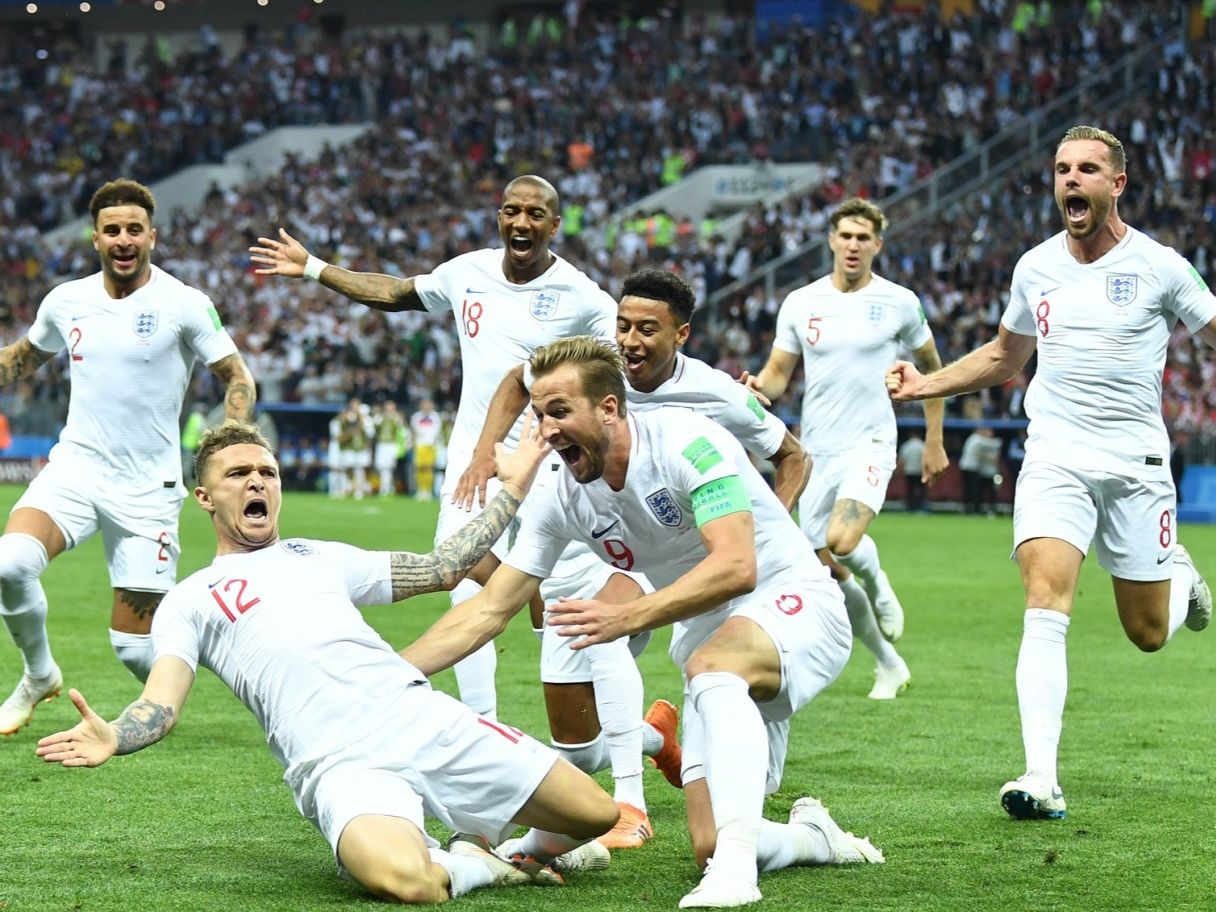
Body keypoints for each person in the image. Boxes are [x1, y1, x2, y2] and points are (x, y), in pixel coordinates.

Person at [35, 420, 619, 903]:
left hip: (417, 715)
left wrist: (512, 489)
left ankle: (509, 848)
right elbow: (160, 703)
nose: (256, 482)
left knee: (595, 814)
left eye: (267, 472)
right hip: (335, 760)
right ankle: (477, 865)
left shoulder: (319, 555)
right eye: (238, 474)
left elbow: (442, 568)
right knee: (411, 883)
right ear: (206, 497)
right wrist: (117, 733)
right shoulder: (189, 600)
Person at [406, 337, 883, 910]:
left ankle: (737, 878)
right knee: (710, 840)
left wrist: (626, 615)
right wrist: (387, 672)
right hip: (713, 638)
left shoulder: (687, 443)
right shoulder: (563, 493)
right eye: (537, 414)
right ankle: (814, 839)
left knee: (712, 668)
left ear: (608, 408)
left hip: (796, 603)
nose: (545, 430)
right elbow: (490, 609)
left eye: (559, 411)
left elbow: (736, 566)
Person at [886, 125, 1214, 820]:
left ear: (1116, 184)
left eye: (1089, 169)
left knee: (1148, 632)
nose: (1072, 179)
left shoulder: (1161, 266)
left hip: (1136, 464)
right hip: (1055, 456)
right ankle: (1040, 777)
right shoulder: (1034, 267)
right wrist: (926, 385)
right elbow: (1006, 357)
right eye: (1063, 168)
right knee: (1044, 600)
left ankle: (1180, 576)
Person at [456, 268, 810, 844]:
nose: (630, 340)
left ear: (682, 335)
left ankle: (629, 807)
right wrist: (481, 454)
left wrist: (760, 530)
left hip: (690, 552)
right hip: (607, 536)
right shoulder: (590, 377)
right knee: (578, 745)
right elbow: (517, 382)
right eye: (622, 325)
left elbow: (793, 456)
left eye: (648, 329)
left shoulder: (718, 395)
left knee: (610, 630)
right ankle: (654, 739)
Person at [251, 175, 616, 720]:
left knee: (559, 625)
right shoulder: (467, 271)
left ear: (554, 226)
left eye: (535, 215)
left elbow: (621, 371)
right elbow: (396, 293)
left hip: (550, 468)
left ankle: (636, 732)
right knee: (462, 577)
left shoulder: (584, 297)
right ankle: (485, 727)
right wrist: (312, 267)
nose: (522, 223)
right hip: (474, 464)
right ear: (499, 216)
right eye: (511, 211)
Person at [0, 179, 256, 737]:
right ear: (95, 237)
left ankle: (267, 682)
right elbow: (19, 360)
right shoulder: (66, 301)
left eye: (133, 230)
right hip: (76, 469)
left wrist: (231, 439)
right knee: (10, 563)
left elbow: (235, 375)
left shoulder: (184, 303)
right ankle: (38, 675)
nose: (123, 239)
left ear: (152, 237)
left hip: (148, 490)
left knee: (136, 651)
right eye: (112, 229)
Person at [744, 197, 948, 700]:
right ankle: (888, 663)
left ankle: (880, 588)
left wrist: (935, 439)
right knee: (828, 573)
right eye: (846, 236)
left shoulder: (900, 302)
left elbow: (932, 369)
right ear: (832, 241)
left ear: (877, 244)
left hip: (871, 443)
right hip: (816, 451)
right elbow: (777, 373)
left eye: (864, 237)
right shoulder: (801, 302)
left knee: (843, 540)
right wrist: (756, 388)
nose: (854, 245)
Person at [959, 427, 1003, 515]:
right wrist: (998, 441)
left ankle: (970, 509)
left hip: (972, 468)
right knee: (973, 490)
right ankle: (972, 509)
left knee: (972, 490)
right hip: (970, 467)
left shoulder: (973, 439)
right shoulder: (976, 438)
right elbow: (994, 444)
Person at [410, 398, 443, 500]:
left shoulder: (435, 417)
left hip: (431, 445)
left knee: (429, 468)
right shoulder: (416, 416)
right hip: (420, 445)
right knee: (419, 467)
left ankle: (428, 490)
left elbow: (436, 431)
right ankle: (421, 490)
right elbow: (414, 430)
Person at [373, 401, 407, 497]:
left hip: (392, 444)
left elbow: (402, 429)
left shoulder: (396, 417)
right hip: (382, 444)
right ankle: (389, 488)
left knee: (388, 468)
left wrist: (396, 417)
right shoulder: (381, 417)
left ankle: (385, 489)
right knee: (382, 467)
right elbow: (375, 424)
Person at [896, 433, 926, 512]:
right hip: (919, 471)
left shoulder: (906, 446)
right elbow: (925, 460)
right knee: (921, 490)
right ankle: (919, 507)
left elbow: (902, 460)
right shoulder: (922, 445)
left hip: (909, 471)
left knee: (910, 491)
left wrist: (898, 471)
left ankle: (910, 507)